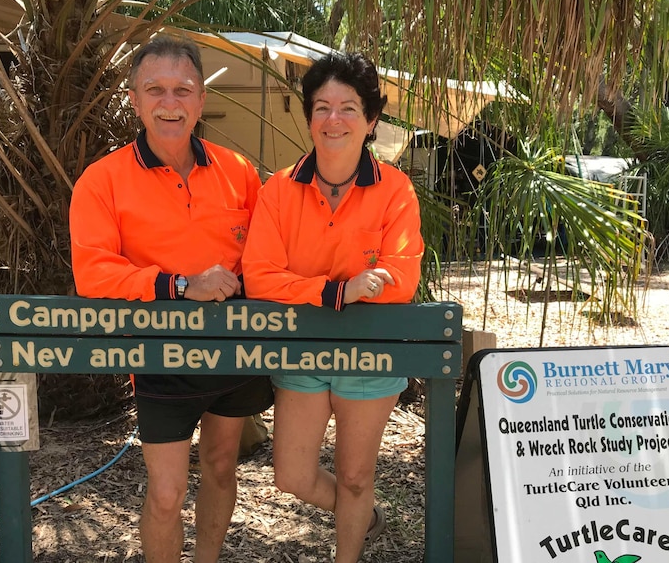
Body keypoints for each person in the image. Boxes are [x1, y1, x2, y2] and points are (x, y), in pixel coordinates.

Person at [68, 35, 274, 563]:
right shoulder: (102, 181)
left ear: (201, 100)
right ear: (134, 100)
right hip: (160, 357)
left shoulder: (239, 172)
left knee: (223, 468)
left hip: (237, 351)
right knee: (166, 493)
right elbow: (94, 274)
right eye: (155, 89)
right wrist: (182, 285)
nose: (169, 102)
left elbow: (268, 255)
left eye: (183, 90)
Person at [242, 52, 424, 563]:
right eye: (322, 107)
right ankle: (363, 515)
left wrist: (306, 285)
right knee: (292, 476)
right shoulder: (279, 190)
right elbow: (259, 275)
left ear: (370, 120)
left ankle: (349, 546)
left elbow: (400, 278)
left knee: (354, 475)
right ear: (308, 118)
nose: (334, 119)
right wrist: (336, 292)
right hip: (302, 352)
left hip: (370, 353)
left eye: (348, 107)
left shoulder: (395, 190)